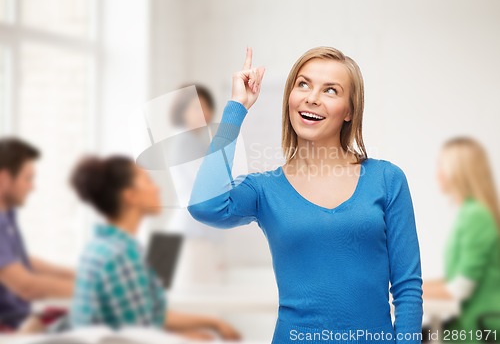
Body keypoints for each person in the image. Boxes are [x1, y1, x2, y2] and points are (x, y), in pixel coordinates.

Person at [187, 46, 423, 343]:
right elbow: (205, 205)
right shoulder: (265, 189)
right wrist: (237, 107)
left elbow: (407, 288)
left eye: (331, 91)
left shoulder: (387, 179)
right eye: (303, 84)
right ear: (290, 97)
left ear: (350, 110)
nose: (312, 97)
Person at [69, 155, 242, 341]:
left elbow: (147, 316)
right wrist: (187, 338)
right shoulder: (120, 255)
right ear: (130, 196)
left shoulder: (107, 246)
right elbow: (137, 333)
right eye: (147, 181)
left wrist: (210, 323)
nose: (157, 188)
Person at [422, 137, 500, 344]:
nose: (437, 173)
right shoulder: (469, 213)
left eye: (442, 165)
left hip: (479, 329)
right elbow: (453, 278)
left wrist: (404, 292)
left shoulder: (476, 216)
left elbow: (459, 288)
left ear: (459, 172)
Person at [0, 137, 74, 332]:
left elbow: (20, 262)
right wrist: (93, 290)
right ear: (5, 178)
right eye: (28, 178)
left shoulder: (7, 215)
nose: (32, 187)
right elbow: (26, 287)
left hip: (21, 320)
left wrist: (77, 274)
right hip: (9, 329)